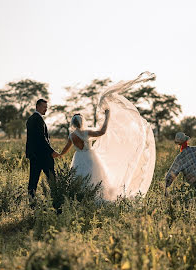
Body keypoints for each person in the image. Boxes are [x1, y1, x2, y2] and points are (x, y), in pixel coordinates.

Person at [56, 72, 157, 201]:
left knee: (79, 179)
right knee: (95, 178)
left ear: (73, 124)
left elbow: (65, 150)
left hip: (78, 158)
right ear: (82, 122)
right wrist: (107, 117)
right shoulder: (86, 133)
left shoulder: (71, 136)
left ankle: (80, 199)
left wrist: (58, 154)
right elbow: (102, 132)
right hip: (90, 157)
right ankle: (95, 198)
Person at [25, 99, 60, 199]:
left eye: (46, 107)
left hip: (34, 156)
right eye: (44, 107)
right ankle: (57, 201)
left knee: (33, 181)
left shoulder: (30, 119)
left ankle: (31, 203)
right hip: (43, 156)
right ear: (37, 107)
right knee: (52, 180)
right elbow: (41, 138)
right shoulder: (37, 119)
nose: (46, 109)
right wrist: (51, 151)